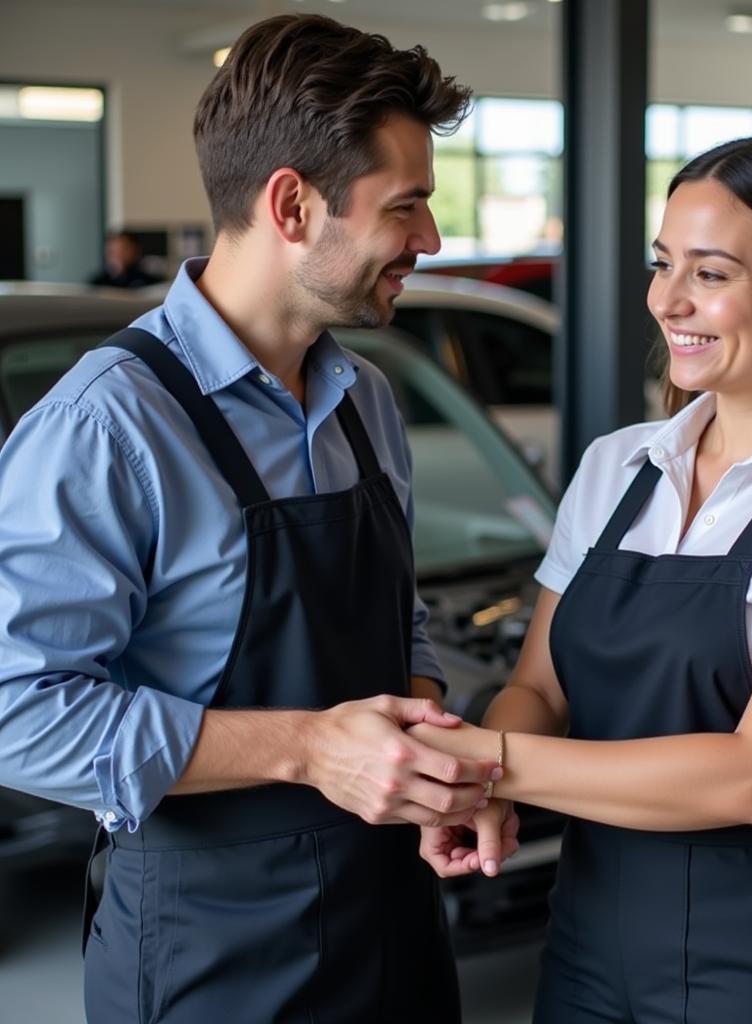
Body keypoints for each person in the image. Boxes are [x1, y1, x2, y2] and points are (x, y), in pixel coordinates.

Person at [0, 14, 498, 1024]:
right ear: (292, 204)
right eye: (407, 207)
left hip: (392, 920)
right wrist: (311, 748)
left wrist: (425, 765)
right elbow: (15, 711)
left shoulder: (366, 401)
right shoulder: (108, 428)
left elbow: (393, 623)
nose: (430, 242)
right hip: (209, 951)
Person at [410, 134, 752, 1023]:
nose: (666, 299)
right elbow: (540, 686)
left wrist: (483, 759)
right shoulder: (618, 465)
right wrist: (477, 796)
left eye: (710, 273)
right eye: (663, 263)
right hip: (590, 935)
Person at [89, 229, 161, 288]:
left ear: (135, 250)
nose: (118, 255)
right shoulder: (96, 284)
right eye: (113, 251)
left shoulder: (150, 282)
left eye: (123, 250)